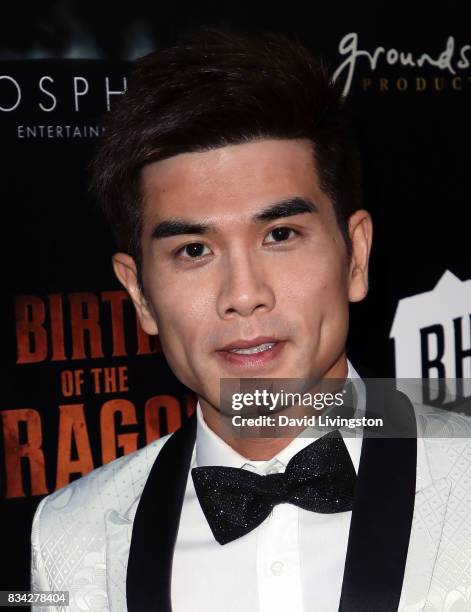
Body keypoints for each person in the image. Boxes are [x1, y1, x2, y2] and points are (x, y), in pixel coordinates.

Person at [31, 30, 471, 612]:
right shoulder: (68, 535)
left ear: (356, 256)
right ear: (139, 294)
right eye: (193, 250)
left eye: (280, 235)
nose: (243, 295)